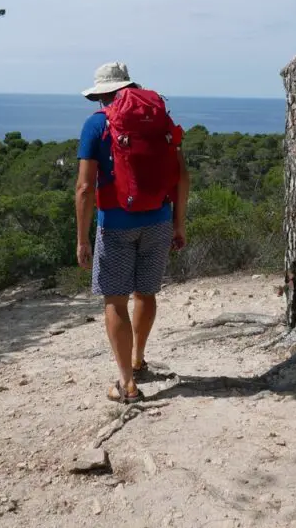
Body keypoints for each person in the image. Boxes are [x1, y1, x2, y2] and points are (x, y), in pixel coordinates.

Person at [75, 61, 190, 403]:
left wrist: (82, 239)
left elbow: (84, 187)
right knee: (145, 293)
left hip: (115, 224)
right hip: (159, 220)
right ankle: (138, 359)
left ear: (102, 95)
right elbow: (183, 176)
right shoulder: (159, 122)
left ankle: (126, 384)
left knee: (115, 299)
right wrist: (179, 223)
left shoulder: (96, 125)